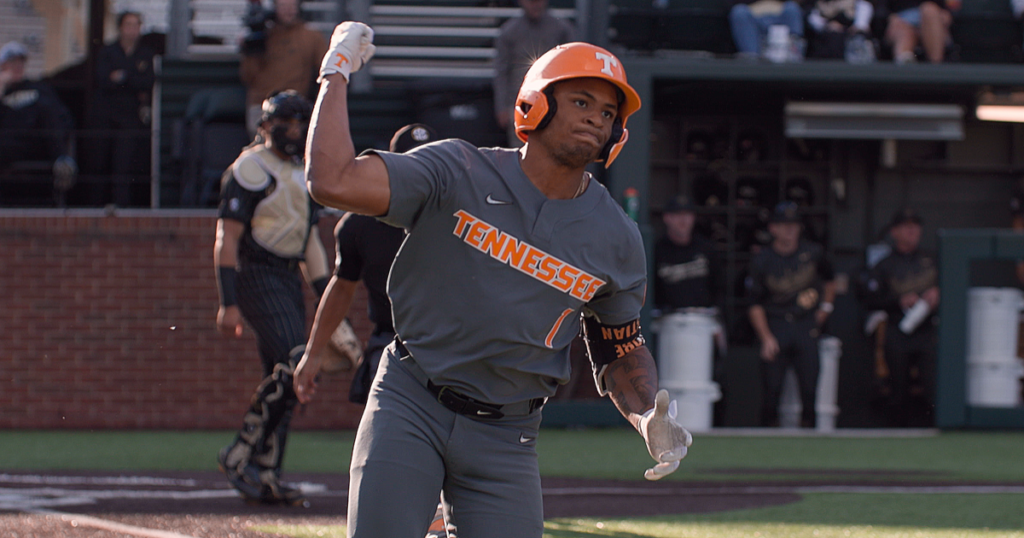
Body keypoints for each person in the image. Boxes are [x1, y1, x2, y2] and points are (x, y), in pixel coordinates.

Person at [295, 23, 692, 538]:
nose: (597, 117)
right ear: (535, 103)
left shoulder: (616, 236)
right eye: (581, 101)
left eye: (609, 112)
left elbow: (618, 345)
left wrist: (647, 418)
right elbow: (331, 180)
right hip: (412, 398)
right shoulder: (457, 169)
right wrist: (336, 71)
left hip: (509, 433)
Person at [301, 123, 454, 537]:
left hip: (456, 351)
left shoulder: (466, 218)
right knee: (387, 444)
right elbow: (340, 288)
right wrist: (314, 352)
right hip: (393, 349)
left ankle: (441, 509)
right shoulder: (357, 224)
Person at [214, 90, 331, 506]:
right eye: (287, 123)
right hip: (256, 272)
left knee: (288, 377)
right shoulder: (249, 167)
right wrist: (228, 302)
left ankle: (266, 470)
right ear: (265, 126)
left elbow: (311, 242)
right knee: (295, 361)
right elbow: (228, 238)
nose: (295, 132)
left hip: (287, 278)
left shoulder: (305, 172)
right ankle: (240, 453)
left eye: (302, 123)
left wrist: (326, 296)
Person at [747, 201, 836, 428]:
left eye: (793, 224)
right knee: (771, 391)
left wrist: (825, 309)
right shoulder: (763, 260)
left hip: (806, 324)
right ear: (773, 228)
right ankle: (767, 442)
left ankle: (810, 442)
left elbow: (831, 281)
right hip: (776, 325)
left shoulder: (813, 253)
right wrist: (766, 337)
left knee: (809, 389)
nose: (789, 229)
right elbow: (754, 303)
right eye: (783, 224)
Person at [864, 208, 939, 427]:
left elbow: (954, 285)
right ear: (894, 232)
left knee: (933, 386)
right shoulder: (884, 265)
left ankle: (936, 434)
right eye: (906, 226)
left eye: (915, 226)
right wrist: (899, 301)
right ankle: (898, 435)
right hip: (898, 329)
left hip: (929, 328)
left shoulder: (932, 259)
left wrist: (938, 293)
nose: (912, 230)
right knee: (898, 389)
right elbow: (870, 300)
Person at [89, 11, 157, 207]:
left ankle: (123, 207)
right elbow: (102, 80)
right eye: (128, 25)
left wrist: (123, 77)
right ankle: (95, 207)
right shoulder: (107, 52)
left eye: (136, 25)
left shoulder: (145, 54)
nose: (132, 30)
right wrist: (131, 81)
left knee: (124, 164)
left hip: (129, 118)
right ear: (120, 27)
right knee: (99, 162)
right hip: (105, 117)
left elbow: (147, 82)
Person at [239, 0, 328, 138]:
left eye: (292, 5)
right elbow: (247, 76)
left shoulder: (311, 37)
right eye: (283, 6)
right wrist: (251, 47)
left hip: (294, 107)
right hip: (262, 104)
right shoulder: (263, 36)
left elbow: (326, 69)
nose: (288, 10)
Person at [492, 0, 575, 147]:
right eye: (531, 1)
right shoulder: (509, 32)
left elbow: (573, 68)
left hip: (555, 105)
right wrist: (502, 107)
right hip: (520, 105)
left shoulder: (562, 29)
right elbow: (501, 71)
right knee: (521, 154)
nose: (535, 4)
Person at [0, 41, 76, 189]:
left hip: (36, 141)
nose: (17, 66)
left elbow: (63, 117)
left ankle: (63, 164)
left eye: (20, 62)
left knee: (47, 107)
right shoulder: (3, 92)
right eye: (12, 62)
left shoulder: (37, 88)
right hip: (8, 144)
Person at [654, 194, 717, 315]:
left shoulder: (706, 248)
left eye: (687, 215)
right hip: (668, 319)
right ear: (667, 218)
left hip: (704, 318)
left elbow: (718, 286)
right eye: (678, 215)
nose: (683, 220)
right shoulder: (657, 251)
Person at [728, 0, 806, 60]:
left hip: (780, 13)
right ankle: (751, 58)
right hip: (752, 15)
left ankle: (794, 52)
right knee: (739, 12)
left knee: (792, 8)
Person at [884, 0, 952, 63]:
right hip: (901, 23)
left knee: (929, 11)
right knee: (905, 34)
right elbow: (883, 9)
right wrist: (891, 18)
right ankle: (905, 63)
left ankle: (936, 68)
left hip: (931, 22)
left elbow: (949, 12)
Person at [805, 0, 875, 60]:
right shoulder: (820, 6)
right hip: (827, 43)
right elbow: (814, 22)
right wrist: (829, 25)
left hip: (850, 45)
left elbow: (860, 27)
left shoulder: (861, 6)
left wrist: (842, 28)